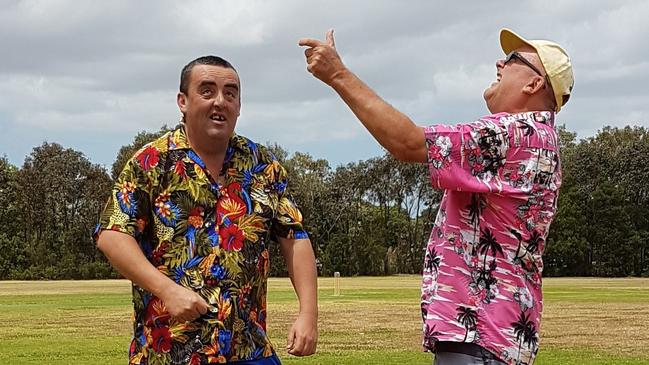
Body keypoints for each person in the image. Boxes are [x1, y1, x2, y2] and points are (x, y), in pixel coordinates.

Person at [299, 28, 573, 365]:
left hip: (480, 335)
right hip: (495, 336)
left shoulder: (515, 134)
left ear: (534, 85)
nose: (499, 63)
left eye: (513, 59)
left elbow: (409, 143)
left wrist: (337, 74)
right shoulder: (540, 140)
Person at [95, 56, 318, 365]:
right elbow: (112, 234)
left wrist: (308, 313)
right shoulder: (152, 162)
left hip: (248, 348)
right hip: (169, 352)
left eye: (230, 93)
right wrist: (167, 291)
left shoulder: (262, 166)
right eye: (207, 90)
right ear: (182, 101)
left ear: (239, 106)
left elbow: (295, 237)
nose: (220, 101)